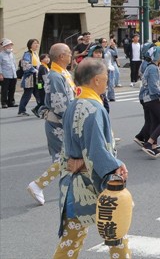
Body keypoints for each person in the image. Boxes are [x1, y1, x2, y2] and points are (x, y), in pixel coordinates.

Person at [52, 58, 130, 259]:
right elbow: (96, 150)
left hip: (73, 184)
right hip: (91, 184)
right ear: (96, 80)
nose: (107, 82)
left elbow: (68, 146)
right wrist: (116, 167)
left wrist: (75, 161)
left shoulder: (74, 104)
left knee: (71, 241)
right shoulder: (94, 108)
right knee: (116, 234)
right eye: (106, 78)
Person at [26, 43, 74, 206]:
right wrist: (75, 121)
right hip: (59, 124)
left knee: (69, 158)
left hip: (62, 122)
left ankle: (69, 189)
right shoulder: (55, 76)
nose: (71, 55)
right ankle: (38, 185)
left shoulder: (62, 73)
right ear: (61, 56)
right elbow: (60, 106)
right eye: (68, 53)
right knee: (65, 158)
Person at [138, 44, 160, 157]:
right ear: (156, 55)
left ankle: (153, 146)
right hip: (151, 98)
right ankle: (148, 144)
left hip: (148, 98)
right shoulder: (153, 68)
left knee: (156, 122)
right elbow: (153, 86)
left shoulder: (150, 66)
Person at [18, 39, 41, 116]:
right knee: (27, 94)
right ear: (30, 45)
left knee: (38, 94)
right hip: (29, 78)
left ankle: (40, 109)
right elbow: (26, 65)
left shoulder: (35, 53)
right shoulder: (27, 54)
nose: (37, 45)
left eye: (37, 43)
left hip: (36, 77)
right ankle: (21, 110)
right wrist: (35, 70)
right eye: (35, 43)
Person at [0, 38, 17, 108]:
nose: (10, 47)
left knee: (12, 89)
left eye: (10, 45)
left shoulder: (12, 54)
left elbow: (14, 64)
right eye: (8, 45)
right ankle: (4, 102)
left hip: (13, 74)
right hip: (5, 75)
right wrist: (0, 74)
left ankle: (11, 102)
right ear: (4, 47)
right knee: (4, 90)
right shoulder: (1, 55)